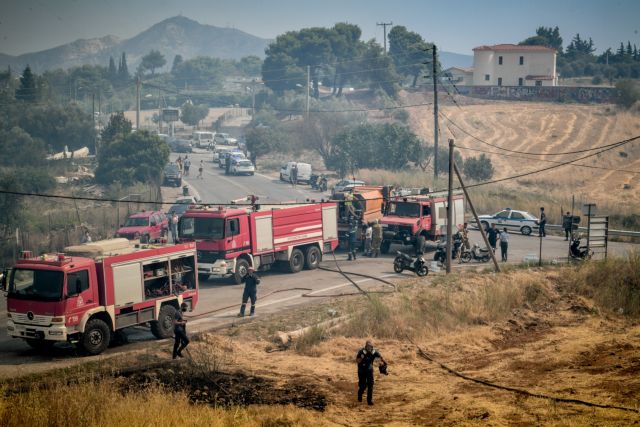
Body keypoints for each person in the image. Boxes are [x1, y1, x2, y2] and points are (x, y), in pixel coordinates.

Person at [356, 340, 387, 406]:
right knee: (363, 385)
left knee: (370, 384)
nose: (369, 348)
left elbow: (380, 357)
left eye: (370, 346)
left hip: (369, 370)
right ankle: (360, 393)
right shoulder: (361, 351)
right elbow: (357, 361)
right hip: (361, 370)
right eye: (368, 346)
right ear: (365, 346)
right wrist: (361, 357)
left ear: (372, 347)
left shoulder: (374, 352)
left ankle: (369, 401)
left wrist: (384, 363)